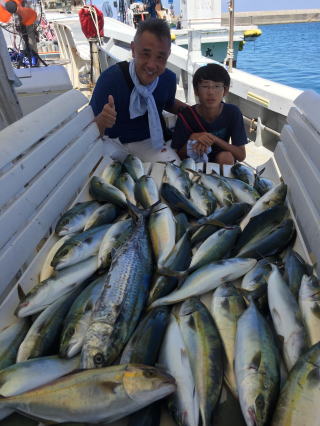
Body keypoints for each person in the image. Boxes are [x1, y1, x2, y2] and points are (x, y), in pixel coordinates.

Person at [90, 19, 186, 162]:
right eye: (145, 54)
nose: (152, 65)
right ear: (133, 50)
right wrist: (102, 120)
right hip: (112, 143)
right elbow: (89, 129)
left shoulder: (168, 80)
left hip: (150, 141)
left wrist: (198, 112)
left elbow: (167, 102)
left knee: (173, 170)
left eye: (160, 57)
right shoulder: (109, 80)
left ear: (168, 55)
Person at [172, 63, 247, 165]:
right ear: (196, 90)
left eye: (217, 86)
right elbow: (179, 155)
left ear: (225, 90)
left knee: (226, 157)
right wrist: (192, 138)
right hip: (194, 163)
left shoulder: (233, 112)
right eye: (205, 86)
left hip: (220, 160)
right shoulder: (186, 116)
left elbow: (241, 155)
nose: (211, 92)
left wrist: (213, 139)